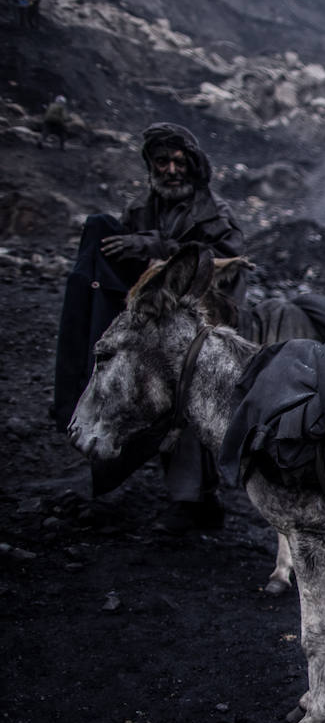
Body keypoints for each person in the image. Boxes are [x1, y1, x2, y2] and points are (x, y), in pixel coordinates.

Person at [52, 122, 246, 532]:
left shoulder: (216, 215)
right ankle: (178, 494)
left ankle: (194, 502)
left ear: (193, 167)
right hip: (154, 324)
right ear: (151, 166)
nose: (171, 169)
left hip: (204, 323)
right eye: (162, 161)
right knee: (150, 400)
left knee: (191, 404)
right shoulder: (140, 211)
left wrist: (156, 248)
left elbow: (224, 268)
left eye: (179, 161)